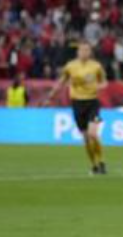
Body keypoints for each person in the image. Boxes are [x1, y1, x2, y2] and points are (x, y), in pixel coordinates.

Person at [43, 42, 108, 175]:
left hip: (92, 102)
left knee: (93, 134)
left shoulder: (96, 66)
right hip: (77, 104)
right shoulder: (70, 66)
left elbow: (104, 82)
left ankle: (102, 162)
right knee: (86, 138)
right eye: (82, 50)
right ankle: (94, 165)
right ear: (78, 52)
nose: (85, 52)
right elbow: (62, 80)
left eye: (87, 50)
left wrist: (98, 87)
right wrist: (51, 95)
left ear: (90, 52)